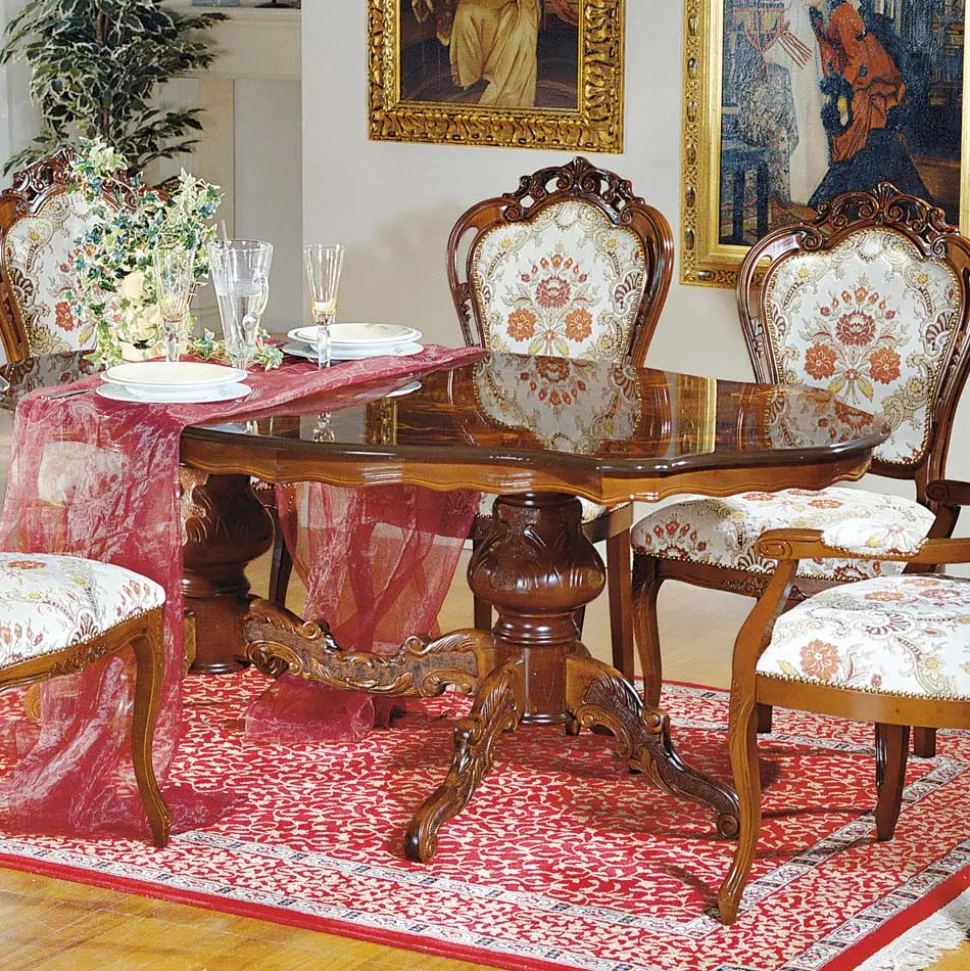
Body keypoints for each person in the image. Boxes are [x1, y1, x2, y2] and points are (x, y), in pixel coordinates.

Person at [807, 0, 931, 207]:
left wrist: (841, 88)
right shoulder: (820, 15)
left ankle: (857, 199)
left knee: (858, 127)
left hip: (868, 73)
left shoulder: (842, 14)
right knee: (859, 135)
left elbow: (856, 58)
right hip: (853, 74)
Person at [412, 0, 541, 107]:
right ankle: (469, 77)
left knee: (517, 31)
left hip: (516, 5)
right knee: (464, 14)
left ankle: (492, 72)